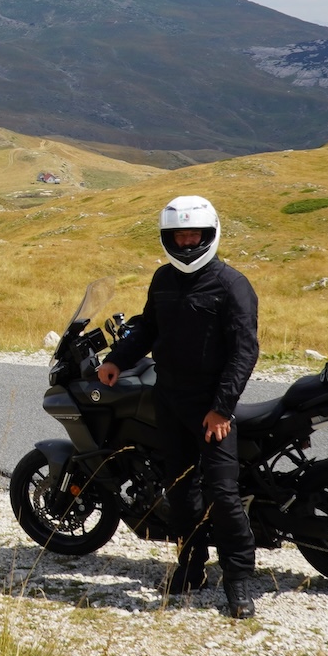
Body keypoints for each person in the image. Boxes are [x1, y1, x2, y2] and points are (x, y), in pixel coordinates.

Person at [98, 194, 260, 618]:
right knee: (181, 492)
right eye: (179, 236)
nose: (187, 243)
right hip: (168, 399)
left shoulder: (231, 284)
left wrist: (223, 407)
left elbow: (244, 350)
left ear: (210, 235)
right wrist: (117, 360)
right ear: (168, 238)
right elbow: (148, 328)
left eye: (194, 235)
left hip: (211, 407)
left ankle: (240, 581)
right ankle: (190, 568)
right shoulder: (162, 280)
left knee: (223, 495)